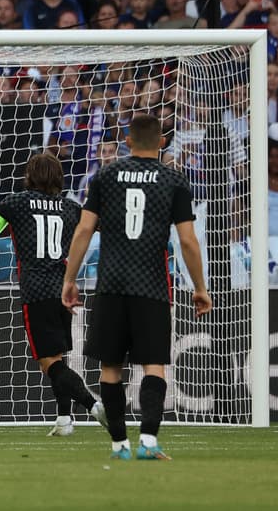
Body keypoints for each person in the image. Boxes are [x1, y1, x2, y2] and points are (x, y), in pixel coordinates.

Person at [61, 115, 213, 461]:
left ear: (127, 142)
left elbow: (84, 230)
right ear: (162, 143)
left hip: (111, 284)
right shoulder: (174, 180)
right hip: (151, 286)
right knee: (154, 365)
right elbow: (188, 241)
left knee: (110, 368)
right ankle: (148, 441)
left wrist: (69, 279)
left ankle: (119, 446)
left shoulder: (105, 176)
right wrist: (199, 287)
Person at [0, 153, 104, 437]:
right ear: (59, 177)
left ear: (29, 175)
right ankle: (64, 420)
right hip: (63, 289)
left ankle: (94, 405)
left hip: (36, 291)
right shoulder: (71, 207)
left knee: (48, 362)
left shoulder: (13, 204)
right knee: (56, 357)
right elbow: (99, 226)